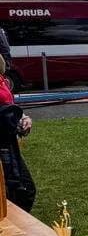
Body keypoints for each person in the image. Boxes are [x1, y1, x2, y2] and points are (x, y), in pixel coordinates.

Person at [0, 53, 37, 212]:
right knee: (19, 192)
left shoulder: (2, 80)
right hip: (3, 144)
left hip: (9, 142)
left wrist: (23, 118)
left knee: (23, 190)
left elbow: (9, 105)